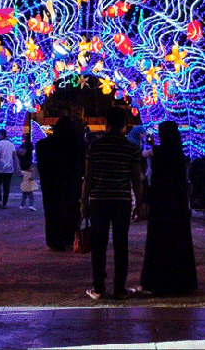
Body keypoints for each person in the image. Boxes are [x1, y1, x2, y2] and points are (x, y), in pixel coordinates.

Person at [81, 107, 144, 300]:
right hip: (121, 201)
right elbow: (136, 179)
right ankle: (119, 288)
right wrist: (139, 204)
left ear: (106, 123)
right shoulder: (132, 148)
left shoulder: (94, 146)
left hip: (98, 200)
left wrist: (84, 202)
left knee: (99, 244)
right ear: (125, 124)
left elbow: (88, 177)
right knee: (120, 244)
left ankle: (99, 288)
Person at [140, 121, 198, 296]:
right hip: (178, 202)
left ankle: (158, 281)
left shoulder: (160, 152)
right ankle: (181, 281)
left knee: (160, 240)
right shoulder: (179, 153)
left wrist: (146, 197)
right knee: (178, 240)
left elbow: (156, 179)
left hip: (161, 203)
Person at [35, 116, 84, 250]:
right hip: (72, 185)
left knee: (52, 212)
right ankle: (69, 238)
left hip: (51, 185)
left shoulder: (43, 146)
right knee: (71, 211)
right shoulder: (77, 145)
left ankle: (54, 239)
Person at [0, 129, 17, 209]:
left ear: (2, 135)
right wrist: (17, 167)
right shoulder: (11, 144)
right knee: (6, 186)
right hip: (9, 168)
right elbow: (14, 156)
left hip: (0, 167)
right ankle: (5, 203)